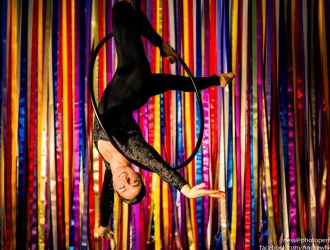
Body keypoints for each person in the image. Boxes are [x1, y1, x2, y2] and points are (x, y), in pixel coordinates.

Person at [93, 1, 235, 239]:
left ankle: (216, 79)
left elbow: (107, 196)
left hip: (130, 94)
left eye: (122, 188)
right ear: (138, 172)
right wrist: (185, 189)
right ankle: (167, 48)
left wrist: (103, 224)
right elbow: (158, 165)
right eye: (134, 183)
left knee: (172, 83)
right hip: (132, 78)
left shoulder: (112, 167)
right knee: (121, 11)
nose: (125, 181)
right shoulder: (133, 151)